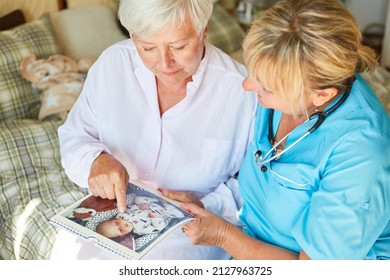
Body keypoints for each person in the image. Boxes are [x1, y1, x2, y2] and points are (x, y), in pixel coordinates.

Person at [181, 0, 390, 260]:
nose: (247, 85)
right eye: (253, 71)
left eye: (266, 86)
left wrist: (223, 235)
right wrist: (205, 203)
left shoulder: (362, 154)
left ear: (321, 95)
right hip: (247, 239)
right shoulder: (286, 89)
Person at [56, 0, 257, 260]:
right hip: (108, 216)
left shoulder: (242, 91)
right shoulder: (112, 65)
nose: (165, 63)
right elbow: (75, 135)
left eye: (179, 46)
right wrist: (95, 160)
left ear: (203, 31)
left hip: (191, 227)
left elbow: (255, 183)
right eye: (147, 47)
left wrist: (206, 204)